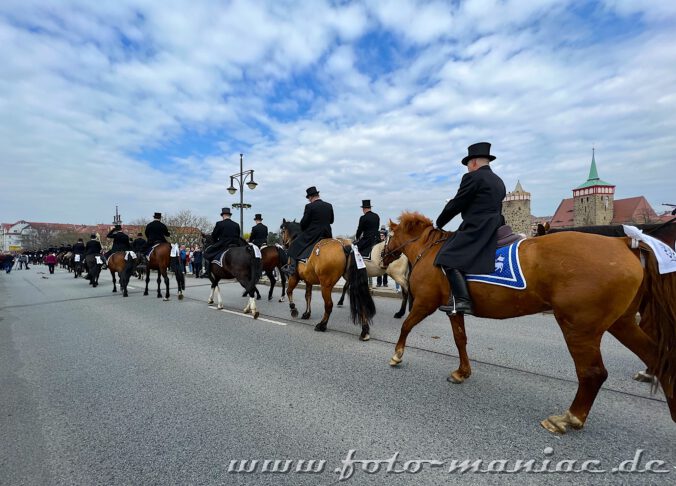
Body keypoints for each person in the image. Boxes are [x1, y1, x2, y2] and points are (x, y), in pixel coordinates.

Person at [435, 142, 506, 316]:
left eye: (468, 165)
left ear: (473, 162)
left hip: (478, 226)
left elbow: (456, 204)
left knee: (446, 257)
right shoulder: (498, 180)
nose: (467, 168)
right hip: (496, 224)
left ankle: (462, 301)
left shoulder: (472, 178)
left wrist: (439, 223)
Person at [282, 186, 334, 276]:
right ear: (317, 195)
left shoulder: (309, 206)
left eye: (309, 198)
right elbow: (331, 221)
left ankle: (292, 268)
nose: (309, 200)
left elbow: (303, 224)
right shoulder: (329, 205)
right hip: (327, 234)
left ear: (310, 197)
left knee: (294, 245)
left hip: (313, 235)